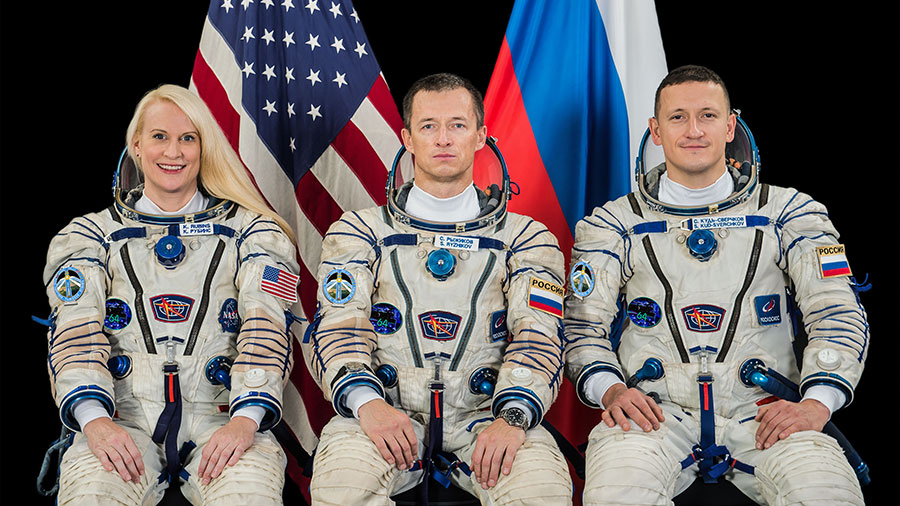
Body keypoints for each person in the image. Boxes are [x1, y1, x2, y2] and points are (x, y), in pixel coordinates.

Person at [564, 65, 867, 505]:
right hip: (654, 414)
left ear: (730, 126)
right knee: (616, 495)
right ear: (655, 130)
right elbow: (581, 329)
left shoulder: (789, 213)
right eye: (677, 117)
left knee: (826, 493)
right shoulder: (613, 225)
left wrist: (816, 402)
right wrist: (611, 390)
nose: (693, 130)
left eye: (707, 116)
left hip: (765, 413)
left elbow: (836, 312)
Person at [304, 73, 573, 505]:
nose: (443, 139)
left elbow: (537, 336)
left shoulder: (526, 237)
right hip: (386, 412)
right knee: (341, 490)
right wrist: (367, 403)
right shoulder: (359, 232)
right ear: (408, 138)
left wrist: (514, 416)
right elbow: (339, 329)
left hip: (488, 416)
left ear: (481, 136)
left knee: (540, 492)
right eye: (429, 126)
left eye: (458, 125)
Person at [42, 84, 299, 505]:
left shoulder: (254, 232)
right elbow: (75, 334)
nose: (173, 152)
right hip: (121, 418)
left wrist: (246, 419)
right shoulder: (90, 236)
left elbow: (267, 329)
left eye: (188, 138)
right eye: (160, 136)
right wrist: (94, 421)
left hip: (225, 417)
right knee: (91, 495)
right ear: (137, 146)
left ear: (204, 147)